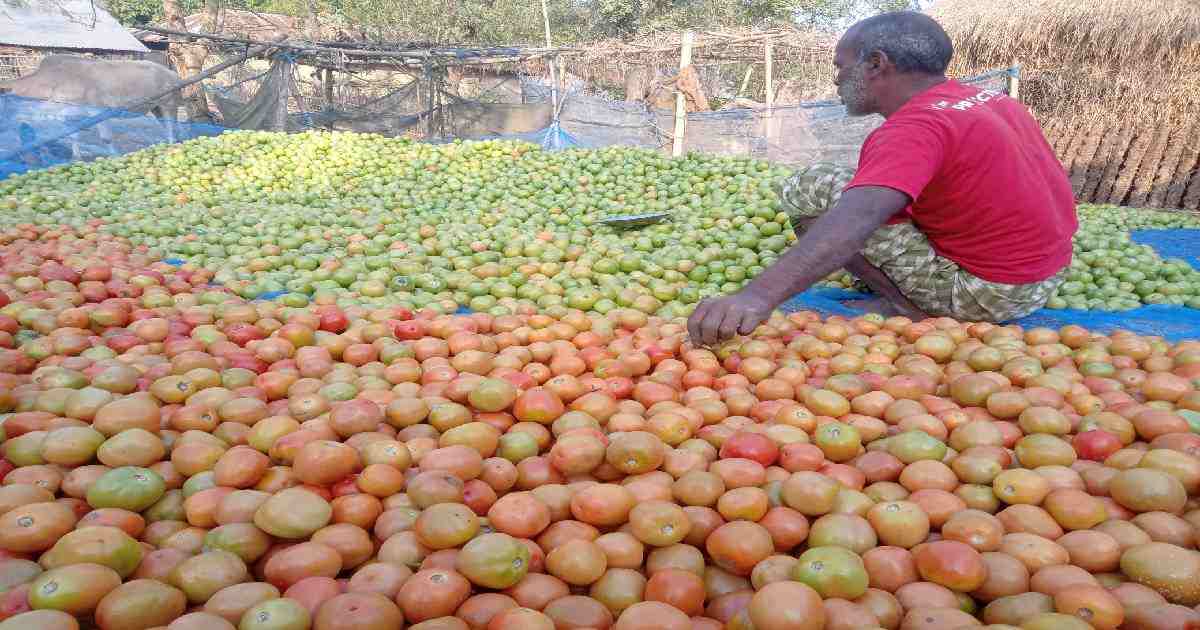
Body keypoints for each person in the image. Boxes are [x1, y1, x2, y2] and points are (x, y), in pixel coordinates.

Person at [686, 11, 1077, 346]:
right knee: (847, 183)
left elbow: (854, 223)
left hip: (986, 296)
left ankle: (910, 307)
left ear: (876, 64)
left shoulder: (914, 128)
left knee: (812, 187)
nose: (836, 82)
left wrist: (755, 297)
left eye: (841, 68)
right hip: (1044, 279)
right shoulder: (991, 101)